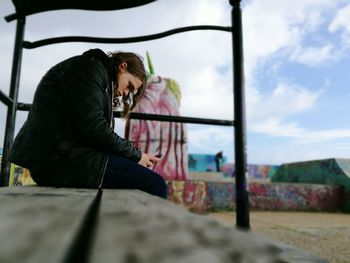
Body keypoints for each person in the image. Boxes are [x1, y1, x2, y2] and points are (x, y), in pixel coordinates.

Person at [8, 48, 167, 199]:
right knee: (155, 183)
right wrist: (137, 155)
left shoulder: (97, 76)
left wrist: (134, 157)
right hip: (60, 160)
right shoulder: (89, 69)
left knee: (142, 180)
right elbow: (95, 129)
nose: (126, 94)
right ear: (122, 67)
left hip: (63, 157)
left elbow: (94, 129)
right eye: (129, 86)